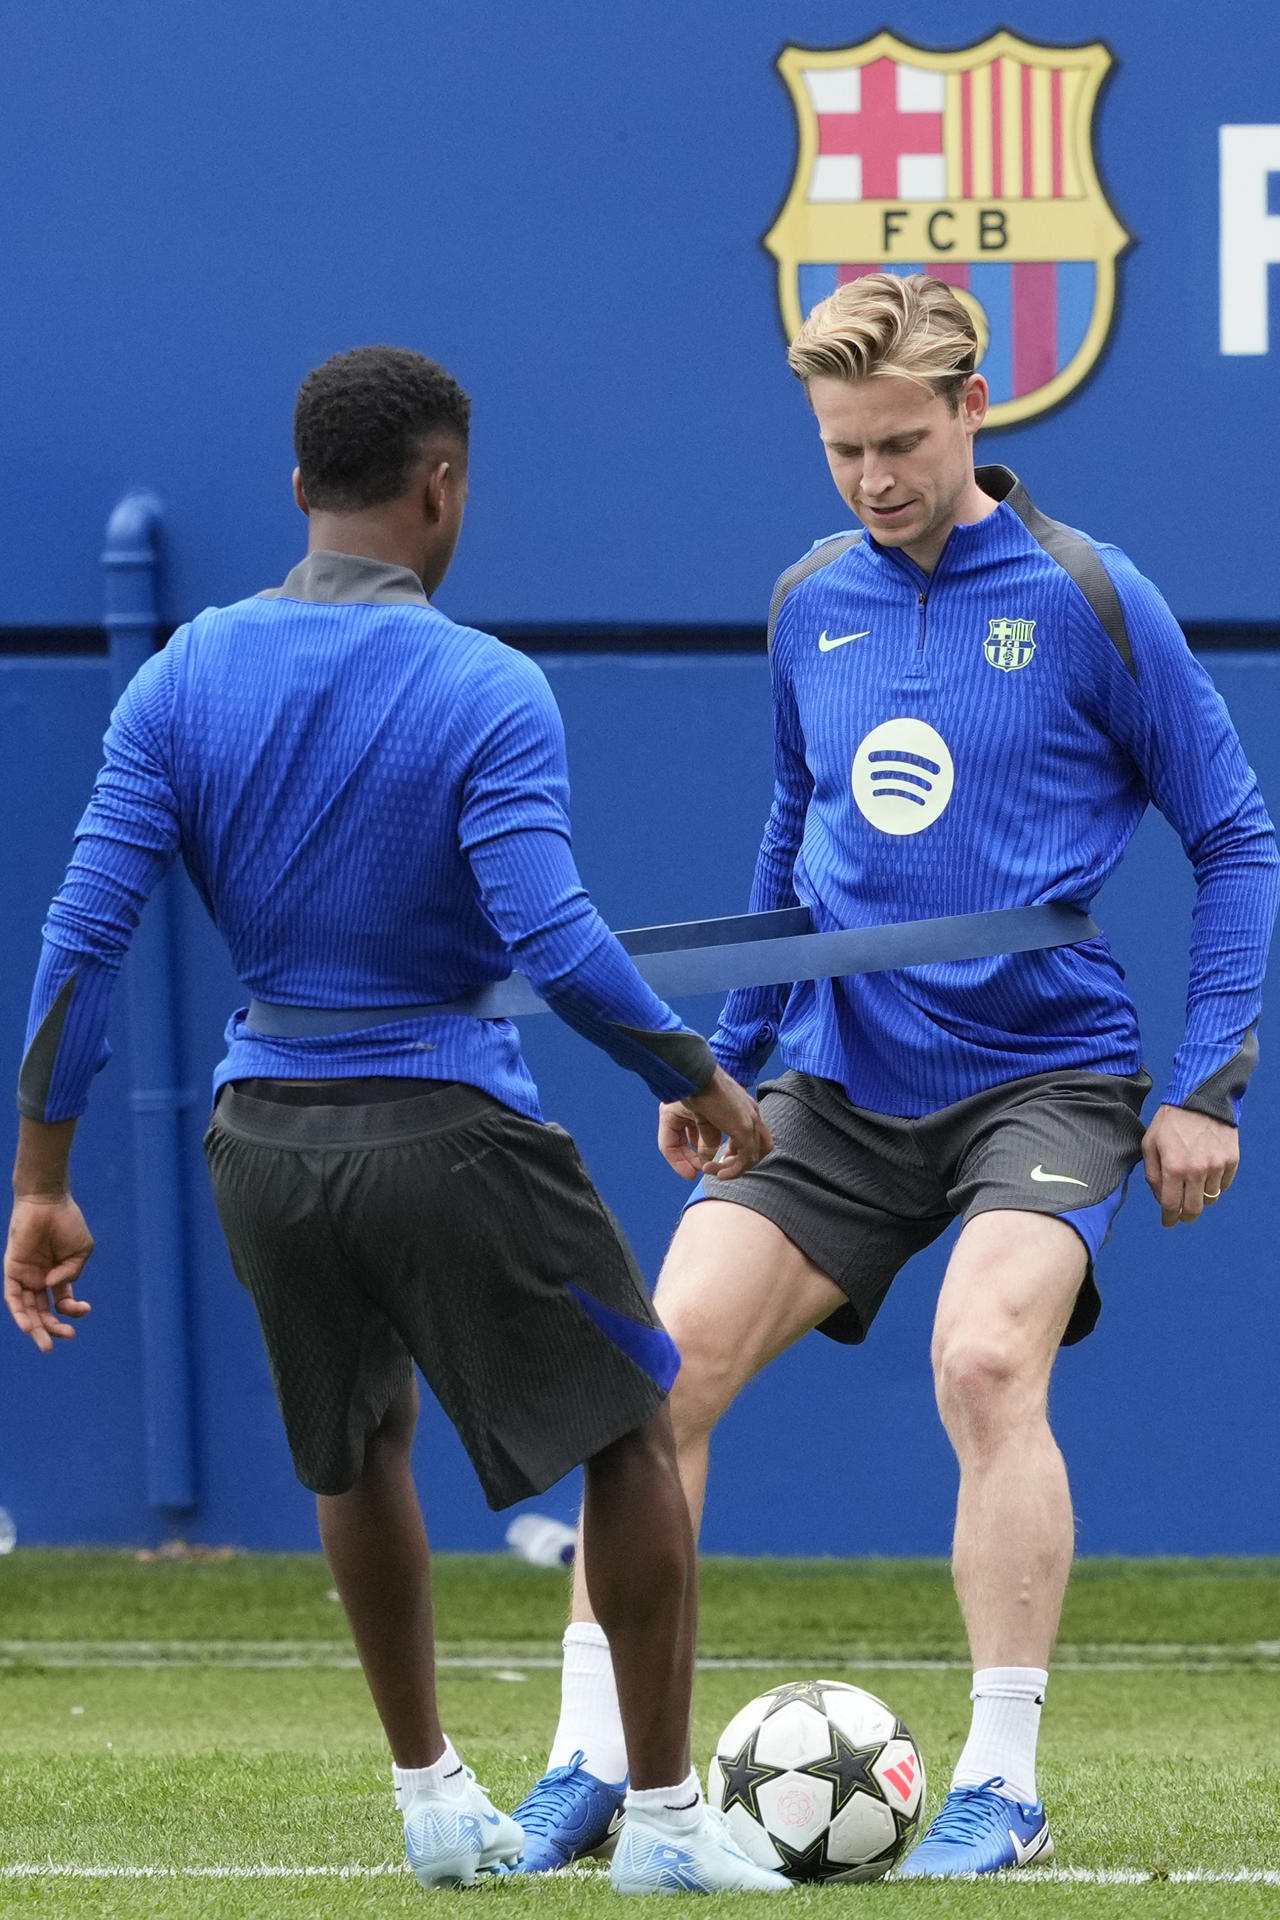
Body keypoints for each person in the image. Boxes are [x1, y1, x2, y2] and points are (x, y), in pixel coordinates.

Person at [511, 275, 1280, 1879]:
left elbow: (1235, 834)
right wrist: (724, 1061)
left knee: (986, 1362)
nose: (874, 478)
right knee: (653, 1372)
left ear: (973, 411)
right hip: (837, 1081)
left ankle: (1001, 1788)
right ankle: (596, 1763)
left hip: (1046, 1081)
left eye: (902, 443)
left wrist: (1207, 1079)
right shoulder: (809, 599)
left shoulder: (1090, 594)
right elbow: (796, 841)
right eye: (843, 449)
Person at [3, 345, 791, 1896]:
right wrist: (694, 1077)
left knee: (355, 1444)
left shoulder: (178, 675)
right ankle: (670, 1823)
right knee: (634, 1430)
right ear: (444, 490)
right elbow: (555, 939)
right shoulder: (486, 685)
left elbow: (78, 941)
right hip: (450, 1137)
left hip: (265, 1149)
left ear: (301, 490)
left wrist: (41, 1181)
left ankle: (433, 1799)